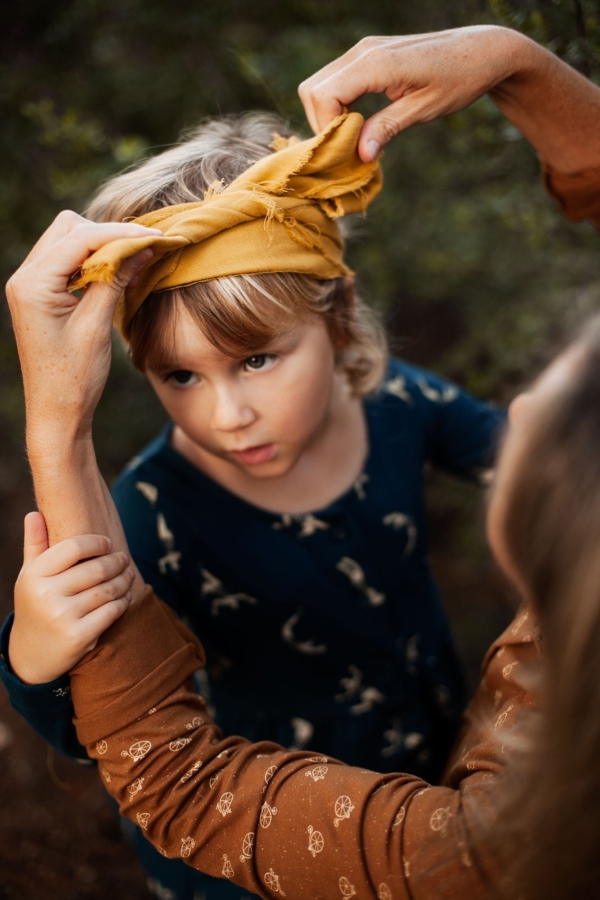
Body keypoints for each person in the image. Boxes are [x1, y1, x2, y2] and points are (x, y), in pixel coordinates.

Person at [5, 20, 600, 900]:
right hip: (249, 855)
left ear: (335, 316)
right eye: (179, 374)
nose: (229, 412)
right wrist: (32, 660)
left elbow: (533, 466)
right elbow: (105, 731)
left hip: (429, 784)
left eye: (257, 358)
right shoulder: (146, 513)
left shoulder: (399, 404)